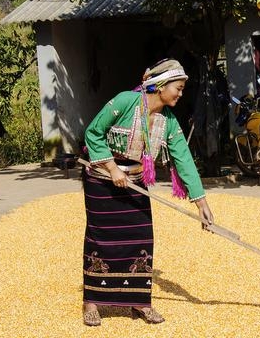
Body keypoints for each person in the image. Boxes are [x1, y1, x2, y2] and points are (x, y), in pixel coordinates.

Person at [81, 58, 214, 326]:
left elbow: (183, 159)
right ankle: (92, 302)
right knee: (101, 239)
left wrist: (201, 203)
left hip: (135, 181)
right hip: (101, 181)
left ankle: (140, 302)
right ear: (160, 85)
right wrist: (111, 168)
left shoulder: (169, 122)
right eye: (177, 87)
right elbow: (93, 132)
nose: (179, 93)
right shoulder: (124, 102)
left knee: (141, 238)